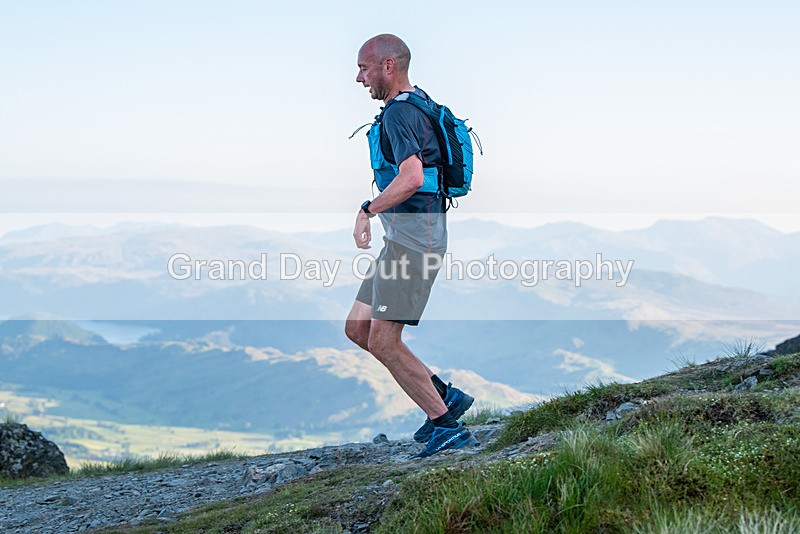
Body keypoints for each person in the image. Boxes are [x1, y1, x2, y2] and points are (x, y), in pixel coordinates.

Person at [344, 34, 478, 458]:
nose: (359, 78)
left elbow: (413, 177)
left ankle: (446, 426)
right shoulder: (416, 103)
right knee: (358, 328)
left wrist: (367, 209)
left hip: (416, 244)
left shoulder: (401, 112)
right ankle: (444, 395)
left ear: (388, 66)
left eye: (364, 68)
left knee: (384, 340)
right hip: (402, 238)